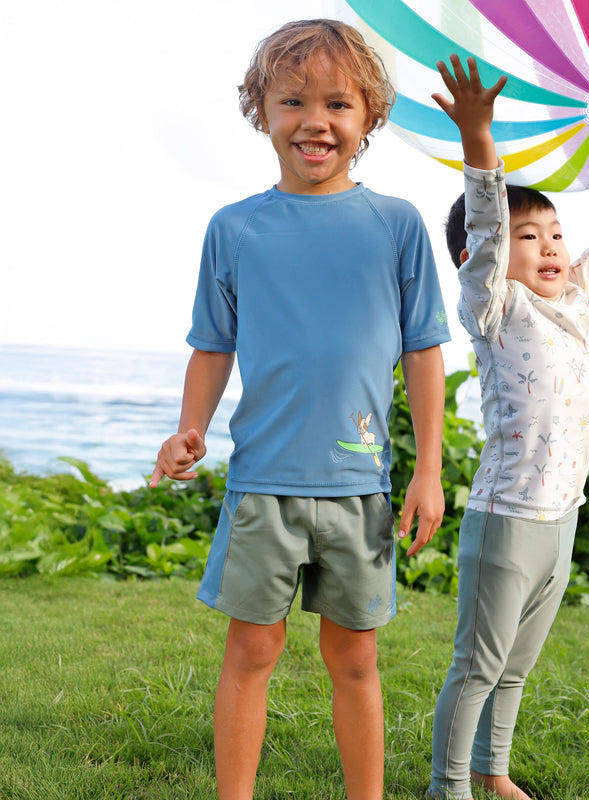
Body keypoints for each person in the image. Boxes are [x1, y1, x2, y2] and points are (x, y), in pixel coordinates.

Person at [149, 19, 451, 800]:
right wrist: (192, 429)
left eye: (338, 105)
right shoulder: (236, 228)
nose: (315, 121)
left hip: (359, 485)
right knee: (251, 651)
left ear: (369, 118)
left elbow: (423, 351)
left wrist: (428, 471)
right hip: (263, 485)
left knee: (355, 658)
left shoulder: (398, 226)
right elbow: (212, 346)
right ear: (263, 112)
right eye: (292, 101)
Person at [426, 55, 589, 800]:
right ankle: (448, 789)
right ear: (482, 260)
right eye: (528, 236)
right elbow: (483, 223)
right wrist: (479, 140)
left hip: (560, 520)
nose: (549, 248)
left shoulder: (574, 302)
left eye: (554, 234)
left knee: (514, 666)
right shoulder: (493, 309)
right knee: (477, 664)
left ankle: (493, 770)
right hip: (506, 520)